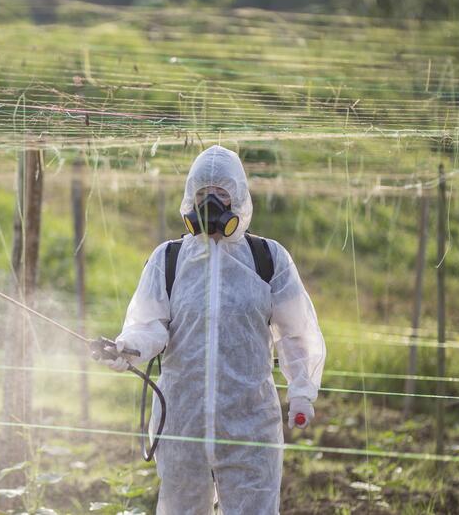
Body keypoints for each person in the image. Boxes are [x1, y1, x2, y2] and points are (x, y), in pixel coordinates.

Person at [99, 145, 326, 514]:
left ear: (238, 198)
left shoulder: (268, 258)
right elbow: (150, 325)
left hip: (250, 425)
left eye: (221, 194)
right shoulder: (169, 259)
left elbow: (297, 331)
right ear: (190, 199)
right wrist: (128, 347)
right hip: (181, 422)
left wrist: (301, 392)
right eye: (203, 195)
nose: (212, 204)